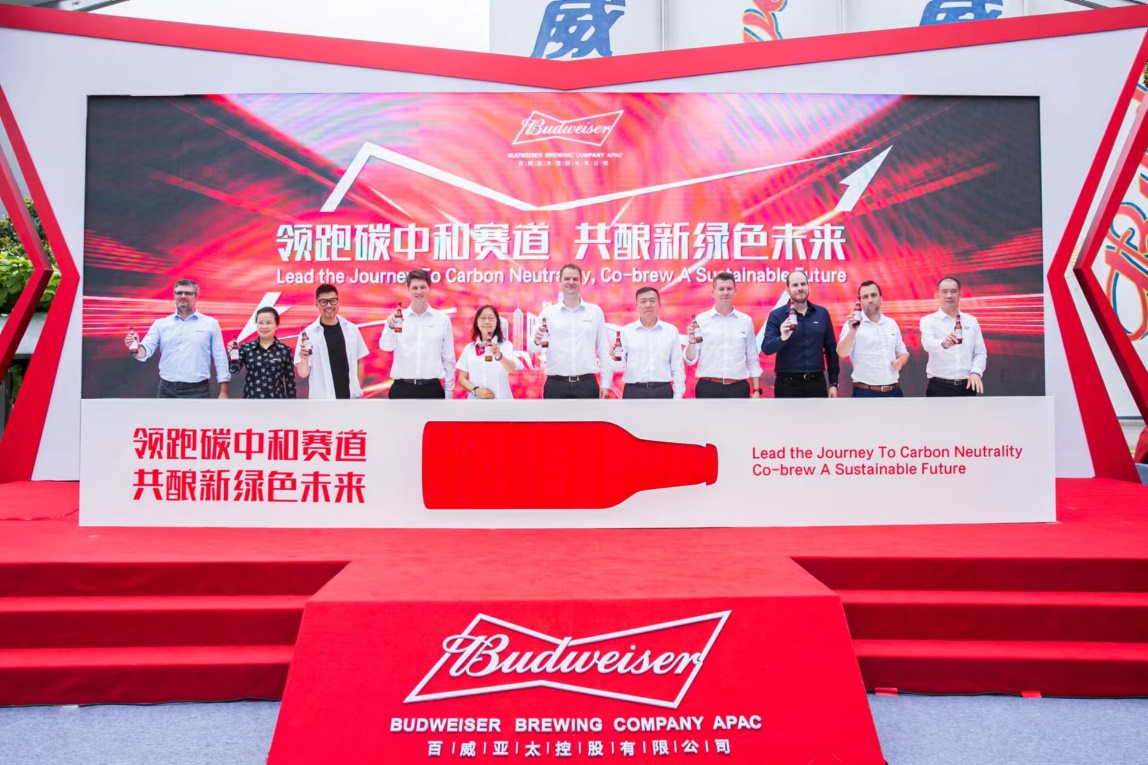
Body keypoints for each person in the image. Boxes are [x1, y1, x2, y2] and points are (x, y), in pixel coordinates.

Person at [125, 278, 230, 399]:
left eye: (188, 293)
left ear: (196, 297)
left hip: (198, 391)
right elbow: (145, 352)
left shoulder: (210, 324)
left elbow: (220, 357)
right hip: (167, 390)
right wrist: (136, 347)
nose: (183, 296)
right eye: (179, 293)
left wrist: (224, 391)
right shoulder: (161, 324)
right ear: (174, 296)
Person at [528, 263, 613, 399]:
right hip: (556, 384)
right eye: (567, 279)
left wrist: (606, 383)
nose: (571, 282)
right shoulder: (548, 313)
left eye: (575, 279)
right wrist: (537, 340)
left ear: (581, 282)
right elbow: (532, 348)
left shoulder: (594, 312)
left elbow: (604, 349)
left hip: (586, 384)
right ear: (560, 282)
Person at [761, 270, 840, 398]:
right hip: (787, 385)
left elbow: (831, 350)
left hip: (816, 383)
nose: (800, 288)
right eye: (795, 285)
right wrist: (782, 338)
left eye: (803, 284)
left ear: (808, 287)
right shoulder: (777, 315)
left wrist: (833, 383)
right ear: (788, 290)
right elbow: (766, 348)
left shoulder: (822, 313)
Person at [684, 271, 762, 398]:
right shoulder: (701, 320)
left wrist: (757, 390)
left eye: (729, 289)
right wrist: (691, 342)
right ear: (713, 292)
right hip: (708, 388)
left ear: (735, 291)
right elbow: (690, 360)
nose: (725, 292)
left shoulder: (745, 321)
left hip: (738, 388)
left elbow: (752, 358)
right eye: (721, 289)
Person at [380, 269, 456, 399]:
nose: (419, 291)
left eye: (423, 287)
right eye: (415, 288)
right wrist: (390, 328)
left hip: (432, 389)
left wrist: (448, 391)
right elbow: (386, 347)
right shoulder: (397, 318)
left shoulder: (442, 320)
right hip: (402, 389)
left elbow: (448, 359)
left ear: (429, 289)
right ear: (408, 290)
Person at [295, 284, 369, 399]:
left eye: (333, 301)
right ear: (317, 304)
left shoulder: (352, 329)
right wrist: (304, 359)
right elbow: (303, 373)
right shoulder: (308, 334)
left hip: (350, 399)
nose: (329, 305)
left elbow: (359, 362)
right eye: (324, 302)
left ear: (338, 302)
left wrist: (357, 389)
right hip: (322, 401)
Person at [836, 280, 908, 398]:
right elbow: (842, 352)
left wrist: (900, 361)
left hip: (894, 391)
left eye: (873, 295)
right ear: (860, 301)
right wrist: (852, 332)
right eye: (865, 297)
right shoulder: (852, 324)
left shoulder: (891, 323)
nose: (870, 300)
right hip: (865, 392)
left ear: (881, 298)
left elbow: (903, 352)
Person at [920, 276, 988, 397]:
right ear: (937, 296)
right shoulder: (928, 321)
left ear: (960, 295)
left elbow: (980, 352)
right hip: (939, 386)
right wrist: (943, 344)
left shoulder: (971, 321)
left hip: (967, 385)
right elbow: (927, 344)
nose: (949, 295)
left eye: (953, 291)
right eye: (944, 292)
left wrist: (976, 372)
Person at [616, 286, 685, 399]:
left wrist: (678, 395)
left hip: (663, 391)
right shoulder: (626, 332)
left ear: (659, 304)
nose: (648, 305)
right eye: (643, 301)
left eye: (652, 301)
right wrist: (614, 357)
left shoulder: (671, 331)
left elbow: (677, 366)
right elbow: (618, 366)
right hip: (633, 391)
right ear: (637, 306)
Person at [226, 306, 296, 399]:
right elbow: (234, 370)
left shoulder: (285, 350)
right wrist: (232, 353)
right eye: (260, 323)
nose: (264, 326)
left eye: (268, 323)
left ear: (277, 325)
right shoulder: (246, 348)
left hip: (277, 401)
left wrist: (293, 403)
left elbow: (290, 381)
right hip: (252, 401)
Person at [456, 305, 523, 399]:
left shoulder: (506, 345)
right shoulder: (469, 349)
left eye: (491, 318)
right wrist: (476, 391)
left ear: (497, 322)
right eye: (483, 318)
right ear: (477, 322)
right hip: (476, 402)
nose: (487, 321)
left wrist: (499, 356)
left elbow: (510, 368)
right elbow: (461, 379)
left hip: (501, 401)